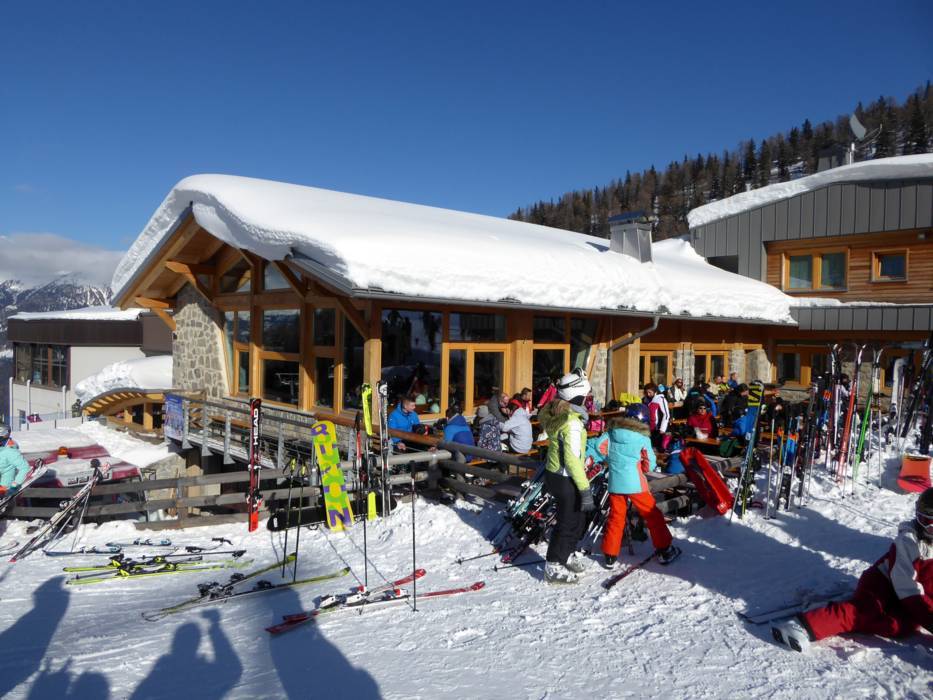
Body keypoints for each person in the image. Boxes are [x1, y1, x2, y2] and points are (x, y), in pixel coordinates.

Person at [772, 488, 933, 652]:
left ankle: (853, 606)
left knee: (902, 626)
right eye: (926, 522)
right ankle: (802, 625)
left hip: (910, 594)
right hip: (882, 584)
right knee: (865, 614)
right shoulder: (908, 543)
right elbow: (907, 588)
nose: (931, 529)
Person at [595, 405, 680, 569]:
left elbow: (599, 446)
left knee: (616, 517)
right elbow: (650, 463)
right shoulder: (642, 438)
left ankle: (610, 555)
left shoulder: (611, 433)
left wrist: (611, 460)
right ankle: (664, 549)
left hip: (615, 482)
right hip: (635, 484)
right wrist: (643, 467)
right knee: (652, 514)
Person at [538, 370, 595, 583]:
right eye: (586, 397)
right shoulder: (572, 423)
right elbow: (572, 460)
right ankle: (553, 566)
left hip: (555, 473)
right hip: (565, 477)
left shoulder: (559, 413)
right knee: (568, 522)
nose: (587, 401)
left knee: (577, 518)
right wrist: (585, 489)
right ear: (577, 397)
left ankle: (566, 554)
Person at [0, 424, 30, 497]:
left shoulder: (10, 451)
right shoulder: (3, 448)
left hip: (5, 486)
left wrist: (15, 485)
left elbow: (25, 468)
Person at [642, 383, 670, 448]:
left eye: (650, 392)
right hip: (649, 428)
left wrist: (662, 428)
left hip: (657, 429)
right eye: (646, 392)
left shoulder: (660, 399)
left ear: (655, 391)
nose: (648, 394)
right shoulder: (645, 400)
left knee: (657, 447)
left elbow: (666, 414)